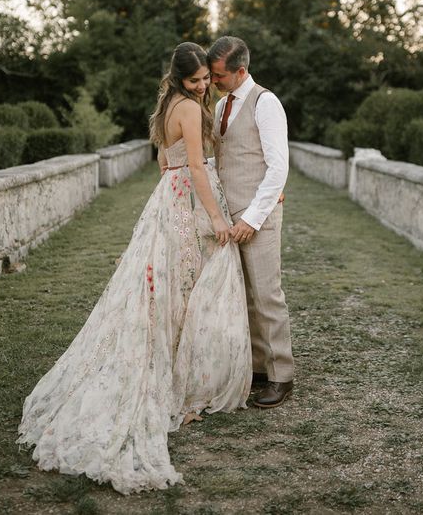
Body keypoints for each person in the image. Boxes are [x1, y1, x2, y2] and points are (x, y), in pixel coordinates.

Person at [18, 43, 251, 494]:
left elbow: (165, 162)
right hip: (186, 205)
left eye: (207, 79)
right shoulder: (186, 109)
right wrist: (217, 217)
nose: (203, 86)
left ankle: (185, 376)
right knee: (185, 285)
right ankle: (183, 386)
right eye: (196, 80)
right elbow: (197, 170)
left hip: (169, 196)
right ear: (181, 80)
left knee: (176, 287)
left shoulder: (169, 106)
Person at [207, 36, 293, 408]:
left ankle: (281, 376)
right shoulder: (222, 103)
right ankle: (259, 367)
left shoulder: (265, 102)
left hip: (257, 215)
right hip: (228, 216)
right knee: (244, 297)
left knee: (267, 295)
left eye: (219, 75)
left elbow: (278, 167)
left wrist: (254, 219)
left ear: (241, 71)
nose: (213, 81)